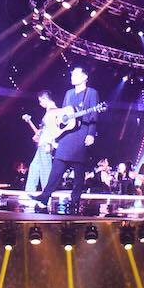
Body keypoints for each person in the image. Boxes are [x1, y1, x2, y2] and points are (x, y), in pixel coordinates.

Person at [31, 66, 99, 210]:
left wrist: (91, 134)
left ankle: (75, 200)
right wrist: (56, 133)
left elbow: (94, 115)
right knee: (57, 165)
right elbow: (62, 113)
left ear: (85, 77)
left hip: (81, 133)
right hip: (66, 134)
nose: (72, 77)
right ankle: (44, 196)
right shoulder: (69, 93)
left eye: (75, 75)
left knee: (79, 170)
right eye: (72, 75)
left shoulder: (91, 93)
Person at [24, 91, 57, 192]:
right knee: (34, 167)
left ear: (44, 99)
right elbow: (42, 131)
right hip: (42, 143)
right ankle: (29, 191)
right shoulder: (49, 112)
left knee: (45, 169)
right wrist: (30, 122)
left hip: (46, 144)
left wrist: (49, 143)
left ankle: (46, 194)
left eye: (40, 101)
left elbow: (53, 129)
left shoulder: (53, 111)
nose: (40, 103)